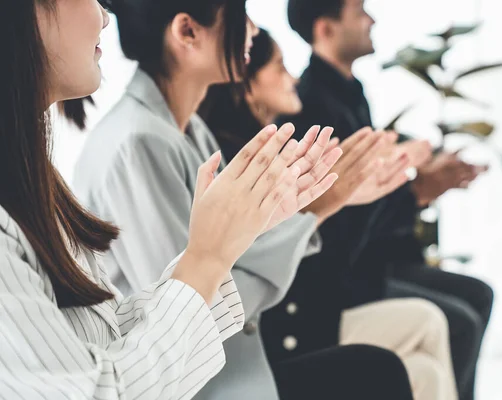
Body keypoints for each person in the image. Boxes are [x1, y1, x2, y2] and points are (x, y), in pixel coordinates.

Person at [66, 1, 415, 399]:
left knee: (380, 366)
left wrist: (320, 201)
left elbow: (234, 254)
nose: (252, 29)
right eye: (240, 14)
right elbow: (190, 312)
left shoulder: (186, 128)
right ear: (187, 32)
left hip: (237, 366)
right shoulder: (139, 142)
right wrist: (315, 209)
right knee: (378, 370)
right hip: (202, 384)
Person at [0, 0, 328, 398]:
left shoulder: (38, 183)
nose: (105, 16)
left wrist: (240, 233)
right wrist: (209, 256)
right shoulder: (136, 140)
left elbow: (107, 336)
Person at [200, 28, 459, 400]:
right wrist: (353, 194)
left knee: (426, 368)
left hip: (312, 303)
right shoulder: (248, 154)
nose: (292, 78)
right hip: (285, 325)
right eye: (279, 67)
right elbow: (303, 253)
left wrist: (368, 188)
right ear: (248, 85)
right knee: (430, 329)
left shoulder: (277, 142)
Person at [265, 1, 495, 399]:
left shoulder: (350, 93)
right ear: (327, 28)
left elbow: (370, 191)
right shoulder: (311, 107)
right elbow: (337, 215)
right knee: (461, 320)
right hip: (343, 273)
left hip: (367, 259)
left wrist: (421, 183)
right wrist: (418, 191)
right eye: (359, 12)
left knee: (477, 296)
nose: (372, 20)